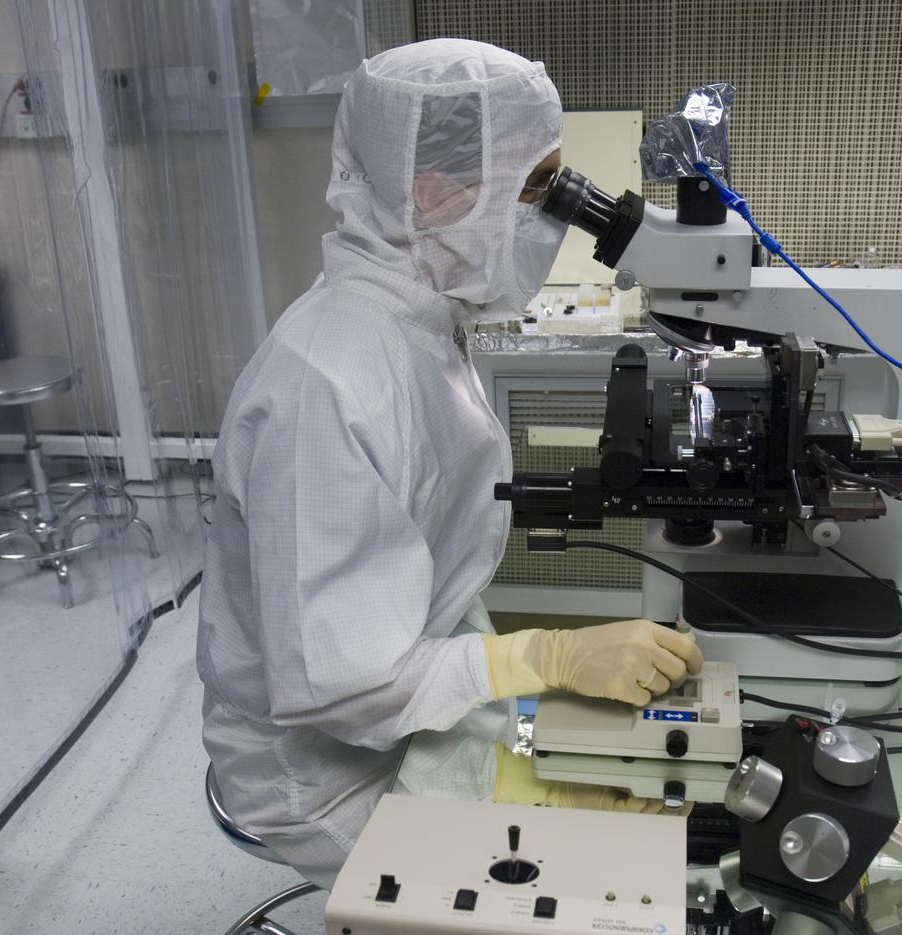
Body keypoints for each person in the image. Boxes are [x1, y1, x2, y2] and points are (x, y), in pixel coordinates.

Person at [197, 37, 703, 889]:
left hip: (405, 695)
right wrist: (549, 656)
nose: (553, 216)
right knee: (582, 874)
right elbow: (339, 687)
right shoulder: (326, 384)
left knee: (627, 795)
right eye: (536, 190)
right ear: (434, 196)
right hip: (324, 770)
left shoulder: (416, 317)